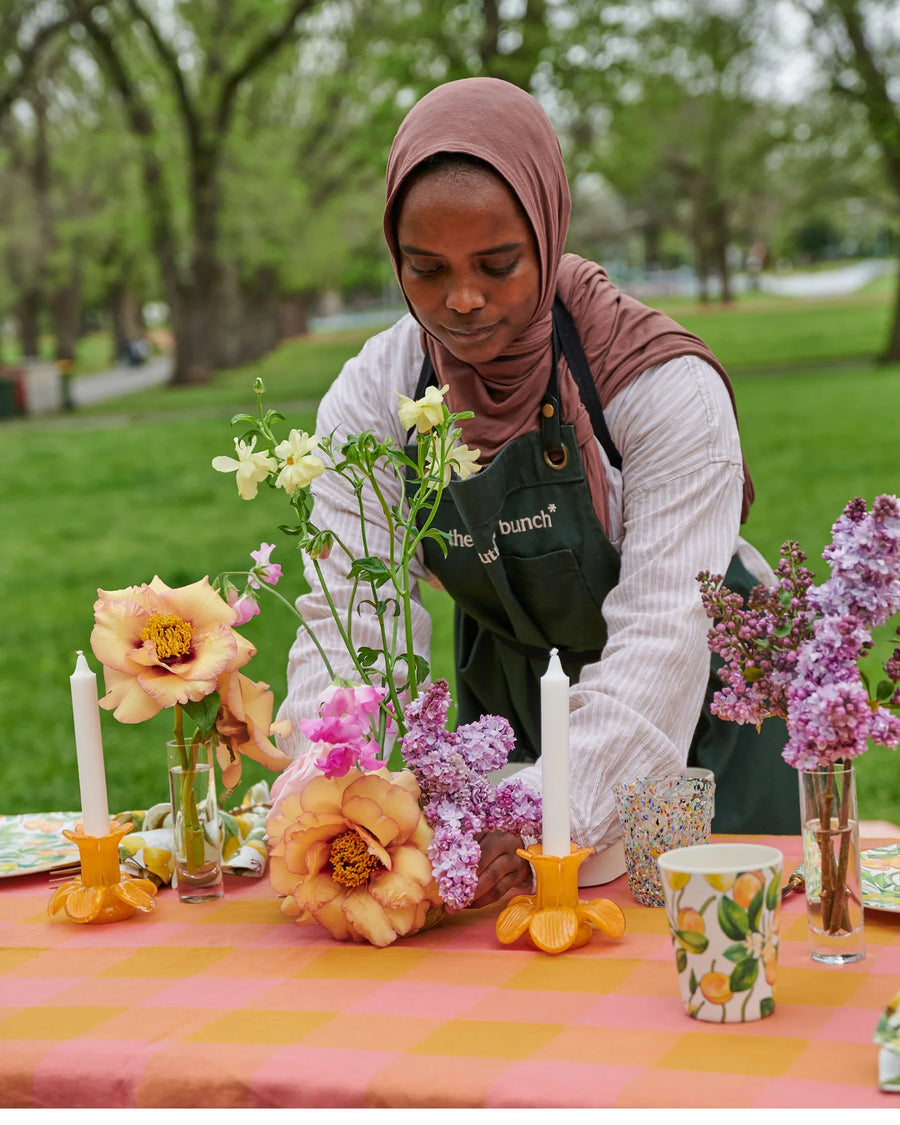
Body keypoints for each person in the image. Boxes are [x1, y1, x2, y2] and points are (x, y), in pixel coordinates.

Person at [276, 77, 799, 907]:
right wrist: (328, 794)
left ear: (549, 235)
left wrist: (540, 807)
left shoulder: (661, 385)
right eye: (426, 269)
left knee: (700, 959)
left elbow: (666, 632)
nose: (464, 299)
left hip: (701, 704)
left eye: (498, 264)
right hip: (513, 693)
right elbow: (351, 622)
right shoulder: (376, 395)